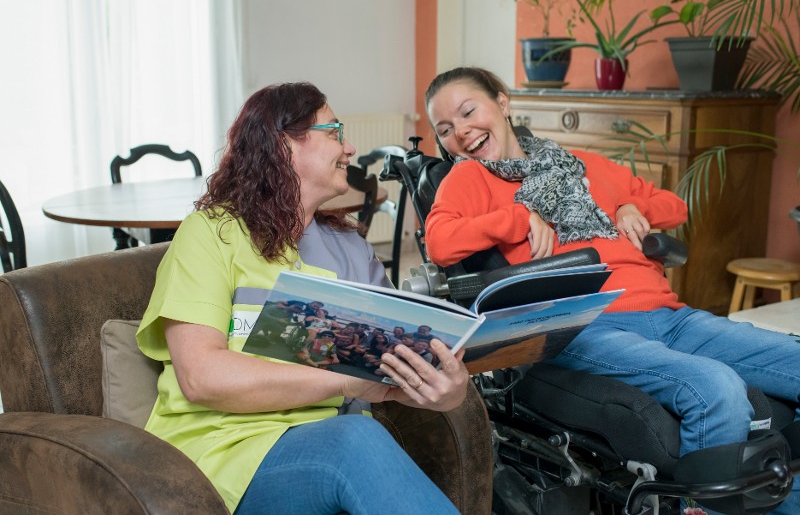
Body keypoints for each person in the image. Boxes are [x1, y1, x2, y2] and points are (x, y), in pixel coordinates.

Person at [423, 66, 800, 514]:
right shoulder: (469, 179)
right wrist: (519, 217)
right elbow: (441, 243)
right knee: (714, 387)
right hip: (584, 325)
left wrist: (628, 206)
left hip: (669, 316)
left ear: (502, 102)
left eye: (469, 112)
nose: (461, 133)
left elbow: (673, 206)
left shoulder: (584, 165)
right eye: (445, 130)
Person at [136, 82, 469, 514]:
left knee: (358, 439)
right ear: (283, 144)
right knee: (357, 440)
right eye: (334, 132)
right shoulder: (211, 233)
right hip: (221, 454)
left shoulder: (350, 249)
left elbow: (392, 365)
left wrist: (445, 390)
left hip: (328, 444)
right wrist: (345, 381)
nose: (350, 148)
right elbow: (201, 376)